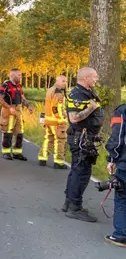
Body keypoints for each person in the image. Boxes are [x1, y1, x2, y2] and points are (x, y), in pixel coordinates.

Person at [62, 67, 104, 222]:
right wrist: (91, 107)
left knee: (77, 170)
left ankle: (69, 202)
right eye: (94, 76)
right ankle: (75, 207)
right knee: (82, 173)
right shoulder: (78, 94)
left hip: (85, 137)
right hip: (81, 138)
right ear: (86, 78)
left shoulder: (85, 92)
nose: (96, 78)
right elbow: (74, 118)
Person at [0, 69, 33, 160]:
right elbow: (0, 99)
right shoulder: (5, 85)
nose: (21, 77)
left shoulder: (19, 86)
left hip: (18, 110)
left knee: (19, 133)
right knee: (8, 132)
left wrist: (28, 106)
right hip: (8, 110)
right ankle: (6, 152)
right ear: (12, 75)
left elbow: (22, 97)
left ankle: (17, 153)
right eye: (19, 75)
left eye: (21, 75)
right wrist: (9, 107)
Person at [104, 103, 126, 247]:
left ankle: (120, 235)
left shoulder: (122, 111)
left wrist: (112, 158)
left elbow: (117, 136)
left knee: (122, 196)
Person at [38, 75, 68, 169]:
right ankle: (58, 162)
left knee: (48, 139)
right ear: (57, 81)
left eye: (66, 81)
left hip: (48, 119)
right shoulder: (58, 93)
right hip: (56, 121)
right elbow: (56, 108)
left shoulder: (50, 89)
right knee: (60, 140)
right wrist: (61, 119)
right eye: (63, 81)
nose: (65, 83)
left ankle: (42, 158)